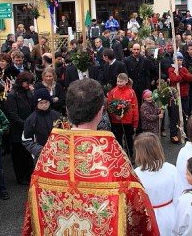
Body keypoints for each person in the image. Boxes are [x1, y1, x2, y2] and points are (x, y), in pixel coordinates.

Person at [22, 78, 158, 235]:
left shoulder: (47, 159)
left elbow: (33, 215)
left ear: (67, 110)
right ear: (101, 111)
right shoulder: (114, 162)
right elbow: (140, 217)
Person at [134, 133, 177, 236]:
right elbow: (179, 194)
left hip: (148, 217)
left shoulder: (135, 174)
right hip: (171, 214)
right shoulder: (171, 169)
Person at [4, 71, 35, 185]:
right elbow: (12, 115)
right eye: (27, 82)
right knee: (18, 155)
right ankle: (20, 176)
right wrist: (26, 124)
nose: (28, 85)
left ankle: (29, 174)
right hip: (17, 130)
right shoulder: (13, 95)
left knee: (27, 154)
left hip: (27, 128)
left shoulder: (29, 93)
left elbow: (33, 109)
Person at [21, 88, 61, 163]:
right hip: (40, 156)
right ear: (36, 104)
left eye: (46, 102)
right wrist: (41, 150)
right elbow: (26, 140)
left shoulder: (57, 115)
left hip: (58, 154)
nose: (44, 105)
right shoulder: (31, 119)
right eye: (41, 103)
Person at [106, 73, 139, 157]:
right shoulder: (113, 92)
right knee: (118, 138)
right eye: (118, 81)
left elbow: (135, 107)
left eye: (121, 81)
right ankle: (119, 155)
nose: (119, 83)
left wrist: (135, 121)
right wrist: (114, 116)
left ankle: (130, 154)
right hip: (116, 121)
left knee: (128, 139)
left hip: (128, 121)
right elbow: (109, 105)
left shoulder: (131, 92)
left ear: (126, 81)